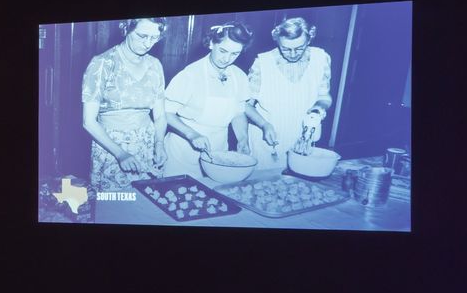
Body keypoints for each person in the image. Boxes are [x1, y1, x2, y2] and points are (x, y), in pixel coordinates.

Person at [163, 23, 278, 178]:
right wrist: (192, 135)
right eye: (223, 51)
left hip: (218, 150)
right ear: (211, 43)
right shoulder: (190, 75)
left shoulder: (239, 77)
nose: (226, 59)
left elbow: (238, 112)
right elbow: (166, 112)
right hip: (183, 151)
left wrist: (243, 139)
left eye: (234, 54)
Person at [81, 16, 168, 190]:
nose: (148, 43)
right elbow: (88, 122)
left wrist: (159, 144)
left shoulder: (155, 65)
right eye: (142, 36)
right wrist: (121, 154)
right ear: (126, 29)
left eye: (154, 38)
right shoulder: (102, 63)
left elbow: (160, 115)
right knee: (114, 207)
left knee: (146, 206)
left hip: (147, 143)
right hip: (112, 146)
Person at [246, 16, 335, 172]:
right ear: (277, 41)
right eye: (286, 49)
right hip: (267, 140)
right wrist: (264, 125)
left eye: (299, 48)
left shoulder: (321, 59)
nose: (293, 54)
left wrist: (317, 109)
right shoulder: (262, 63)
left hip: (303, 140)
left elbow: (324, 96)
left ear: (309, 39)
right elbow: (246, 105)